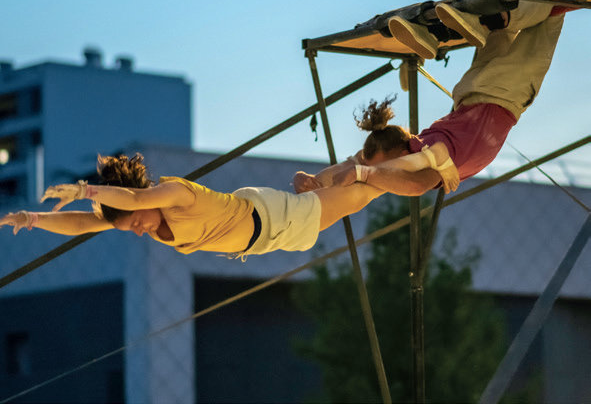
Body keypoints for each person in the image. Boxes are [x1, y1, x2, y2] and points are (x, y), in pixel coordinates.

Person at [293, 0, 570, 195]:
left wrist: (362, 174)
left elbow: (415, 180)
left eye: (385, 167)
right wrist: (313, 180)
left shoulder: (422, 158)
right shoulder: (414, 145)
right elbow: (351, 163)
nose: (383, 175)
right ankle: (481, 19)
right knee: (500, 28)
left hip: (499, 97)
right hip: (474, 94)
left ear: (400, 153)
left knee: (550, 16)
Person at [0, 144, 458, 258]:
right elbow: (83, 225)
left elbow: (137, 196)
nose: (139, 230)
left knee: (368, 189)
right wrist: (31, 217)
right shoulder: (133, 215)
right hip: (267, 226)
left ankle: (427, 164)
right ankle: (364, 162)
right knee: (359, 187)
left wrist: (84, 189)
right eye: (131, 230)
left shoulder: (175, 193)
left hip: (279, 219)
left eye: (136, 223)